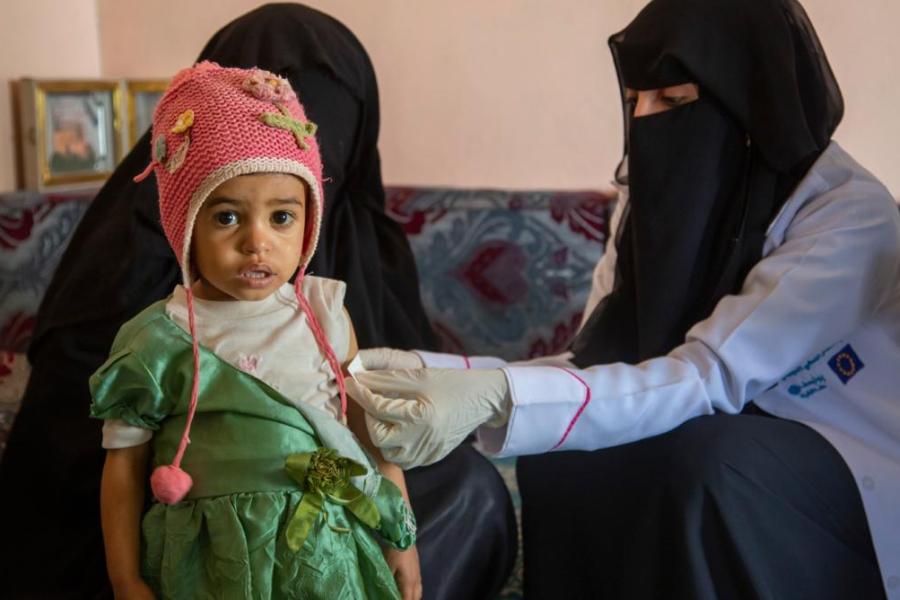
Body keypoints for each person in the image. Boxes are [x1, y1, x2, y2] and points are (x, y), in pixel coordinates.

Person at [348, 0, 900, 598]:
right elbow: (597, 368)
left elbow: (708, 377)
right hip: (705, 426)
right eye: (635, 100)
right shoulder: (651, 203)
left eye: (674, 102)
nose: (646, 121)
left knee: (700, 461)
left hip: (830, 467)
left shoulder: (845, 214)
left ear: (751, 98)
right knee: (560, 449)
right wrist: (430, 372)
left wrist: (500, 395)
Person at [0, 6, 515, 599]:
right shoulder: (139, 275)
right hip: (181, 504)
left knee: (469, 493)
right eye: (226, 214)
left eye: (327, 109)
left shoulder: (350, 268)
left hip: (329, 499)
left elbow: (374, 416)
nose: (259, 239)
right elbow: (87, 427)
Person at [90, 61, 419, 599]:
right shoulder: (157, 340)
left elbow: (370, 435)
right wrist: (125, 577)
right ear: (185, 223)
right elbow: (123, 468)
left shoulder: (325, 315)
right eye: (226, 218)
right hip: (208, 563)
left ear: (309, 219)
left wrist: (401, 542)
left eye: (282, 217)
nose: (256, 242)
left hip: (327, 552)